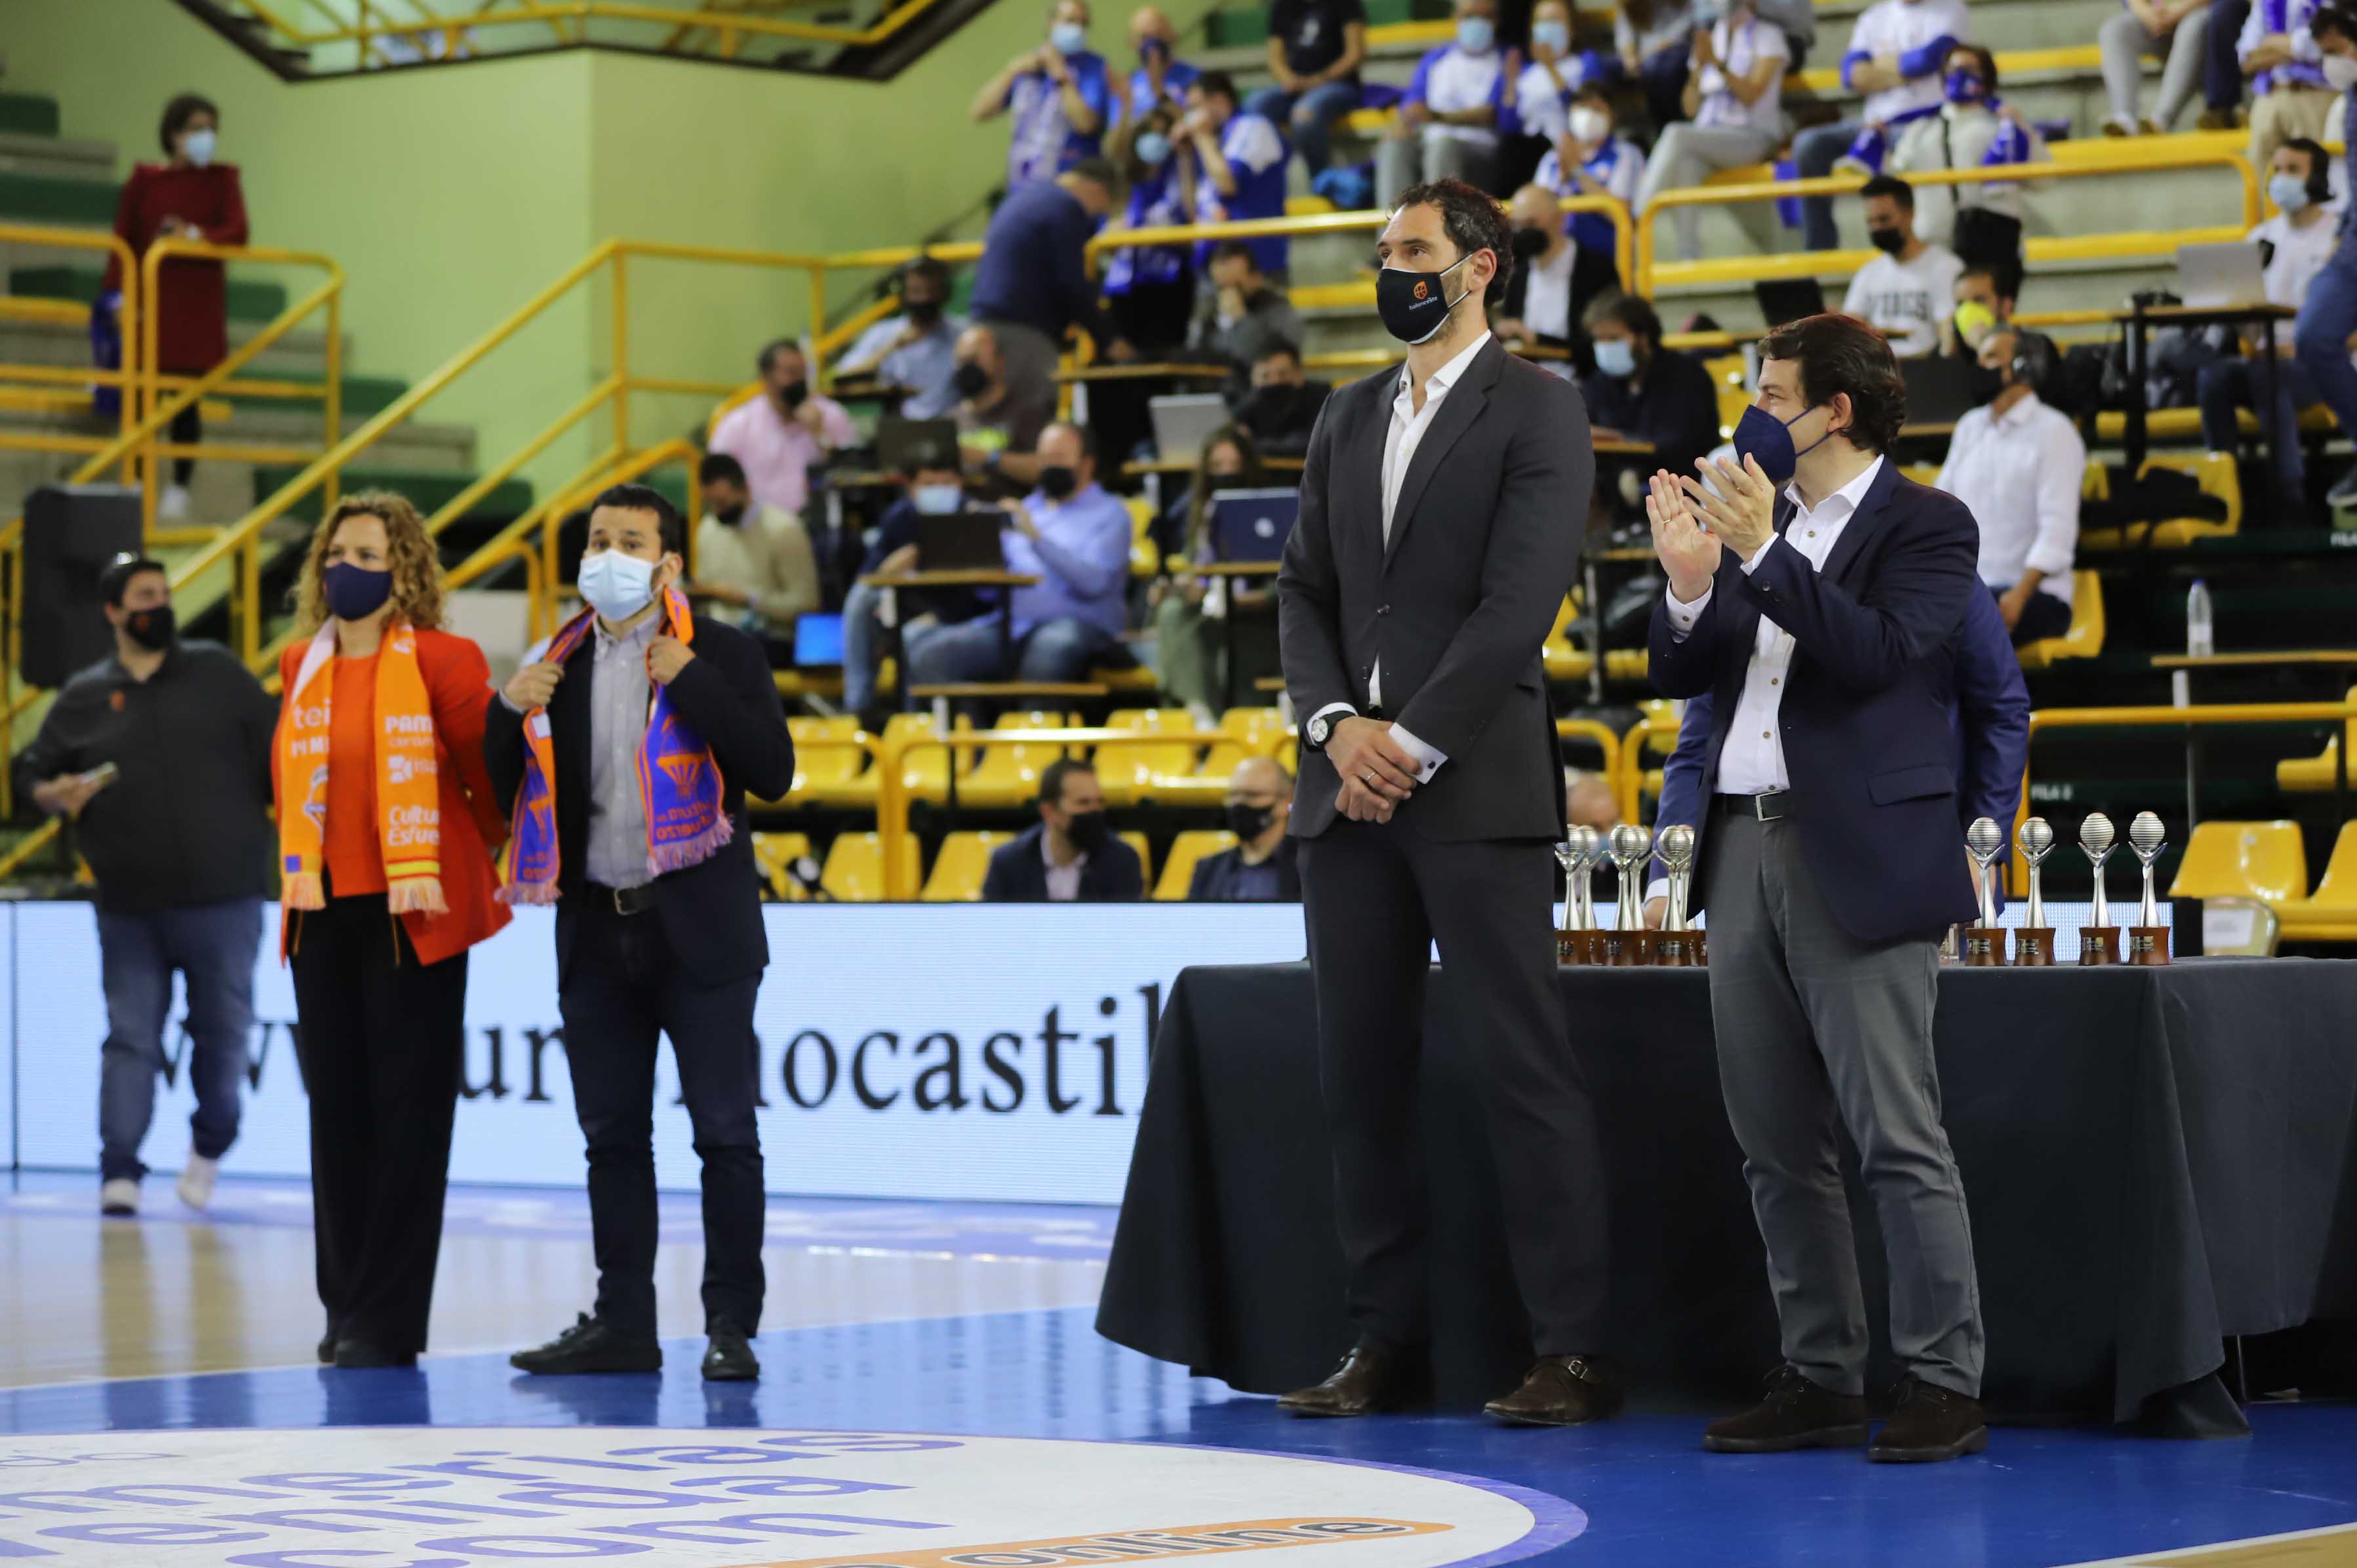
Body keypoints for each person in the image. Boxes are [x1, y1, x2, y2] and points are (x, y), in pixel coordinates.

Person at [1274, 178, 1616, 1428]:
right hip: (1345, 797)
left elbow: (1520, 605)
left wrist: (1405, 744)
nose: (1391, 269)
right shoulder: (1345, 410)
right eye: (1384, 250)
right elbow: (1302, 590)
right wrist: (1335, 729)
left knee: (1524, 1073)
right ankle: (1384, 1341)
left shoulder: (1541, 406)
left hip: (1474, 790)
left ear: (1478, 269)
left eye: (1412, 249)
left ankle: (1571, 1350)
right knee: (1360, 1080)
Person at [1644, 311, 1989, 1464]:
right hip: (1741, 844)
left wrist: (1759, 557)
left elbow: (1878, 653)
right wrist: (1689, 584)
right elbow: (1684, 669)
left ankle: (1942, 1376)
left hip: (1864, 852)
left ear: (1834, 411)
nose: (1751, 414)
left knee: (1896, 1133)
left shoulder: (1927, 524)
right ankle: (1821, 1371)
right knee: (1774, 1142)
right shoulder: (1761, 525)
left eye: (1772, 394)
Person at [490, 484, 795, 1383]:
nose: (608, 557)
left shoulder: (723, 652)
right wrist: (506, 712)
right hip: (594, 929)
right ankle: (623, 1323)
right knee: (612, 1140)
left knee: (724, 1136)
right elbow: (498, 792)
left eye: (630, 541)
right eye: (597, 540)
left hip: (699, 934)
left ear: (668, 564)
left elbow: (773, 770)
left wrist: (689, 678)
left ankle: (730, 1324)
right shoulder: (555, 662)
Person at [273, 491, 510, 1369]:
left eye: (370, 556)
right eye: (338, 553)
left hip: (413, 915)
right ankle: (344, 1306)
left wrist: (455, 858)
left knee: (409, 1119)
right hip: (321, 910)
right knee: (336, 1116)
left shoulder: (447, 659)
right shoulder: (300, 663)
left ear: (404, 570)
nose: (349, 569)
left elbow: (489, 780)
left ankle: (387, 1320)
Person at [15, 554, 275, 1219]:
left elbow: (278, 750)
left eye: (163, 593)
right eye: (143, 596)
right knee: (131, 1036)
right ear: (113, 612)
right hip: (129, 905)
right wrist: (54, 793)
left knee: (224, 1033)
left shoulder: (218, 672)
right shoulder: (85, 696)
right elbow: (32, 776)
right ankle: (119, 1168)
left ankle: (210, 1144)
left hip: (225, 896)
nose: (158, 605)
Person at [1644, 580, 2029, 922]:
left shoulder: (1935, 556)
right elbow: (1701, 743)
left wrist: (1980, 847)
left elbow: (2001, 711)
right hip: (1745, 866)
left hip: (1913, 861)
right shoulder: (1740, 574)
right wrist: (1667, 878)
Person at [102, 92, 248, 523]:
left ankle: (180, 488)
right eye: (197, 128)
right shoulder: (145, 182)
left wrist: (194, 235)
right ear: (174, 134)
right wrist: (117, 296)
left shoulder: (223, 180)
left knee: (186, 403)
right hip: (150, 307)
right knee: (140, 404)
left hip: (195, 310)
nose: (207, 137)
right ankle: (134, 483)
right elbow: (123, 241)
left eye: (212, 129)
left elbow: (238, 231)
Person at [907, 421, 1133, 686]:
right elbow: (990, 593)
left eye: (1058, 458)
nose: (1049, 466)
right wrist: (978, 549)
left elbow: (1094, 584)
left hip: (1080, 626)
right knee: (931, 654)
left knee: (1049, 649)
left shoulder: (1111, 514)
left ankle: (1034, 714)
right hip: (1015, 626)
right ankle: (970, 716)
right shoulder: (1026, 508)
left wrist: (1037, 539)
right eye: (1044, 458)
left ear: (1087, 464)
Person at [2200, 136, 2341, 501]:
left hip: (2323, 362)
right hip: (2265, 360)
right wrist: (2233, 313)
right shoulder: (2261, 238)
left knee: (2269, 377)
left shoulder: (2340, 238)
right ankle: (2222, 491)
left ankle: (2290, 496)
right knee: (2214, 377)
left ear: (2317, 180)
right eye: (2277, 169)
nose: (2281, 178)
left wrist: (2299, 349)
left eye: (2293, 170)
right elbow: (2251, 328)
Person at [1934, 330, 2084, 646]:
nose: (1979, 367)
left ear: (2023, 368)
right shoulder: (1970, 426)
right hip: (1971, 592)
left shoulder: (2054, 431)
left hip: (2033, 594)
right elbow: (1941, 509)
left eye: (1991, 357)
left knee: (1952, 634)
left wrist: (2020, 596)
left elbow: (2058, 530)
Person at [1789, 0, 1966, 253]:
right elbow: (1850, 75)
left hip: (1925, 122)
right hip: (1873, 125)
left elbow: (1928, 59)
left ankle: (1925, 247)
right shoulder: (1873, 18)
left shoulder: (1950, 9)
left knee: (1920, 146)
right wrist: (1903, 75)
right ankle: (1819, 251)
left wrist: (1875, 68)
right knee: (1809, 144)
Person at [968, 160, 1138, 416]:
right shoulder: (1065, 208)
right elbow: (1071, 283)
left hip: (987, 323)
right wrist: (1108, 339)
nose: (1094, 217)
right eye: (1101, 209)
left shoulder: (1028, 198)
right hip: (1025, 331)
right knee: (1031, 416)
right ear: (1096, 189)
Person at [1636, 0, 1791, 263]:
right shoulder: (1711, 37)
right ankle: (1689, 256)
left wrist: (1718, 64)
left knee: (1676, 133)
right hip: (1711, 136)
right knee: (1686, 164)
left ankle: (1637, 214)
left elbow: (1751, 95)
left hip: (1753, 136)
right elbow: (1690, 109)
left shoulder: (1769, 36)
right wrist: (1697, 71)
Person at [843, 457, 995, 726]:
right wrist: (889, 569)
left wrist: (940, 616)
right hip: (910, 605)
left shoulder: (976, 518)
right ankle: (857, 707)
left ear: (960, 484)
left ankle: (912, 721)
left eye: (947, 483)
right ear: (911, 488)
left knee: (913, 635)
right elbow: (868, 578)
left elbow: (986, 595)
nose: (939, 490)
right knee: (861, 599)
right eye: (929, 484)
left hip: (963, 616)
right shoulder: (901, 517)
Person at [1879, 45, 2046, 255]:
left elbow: (2042, 181)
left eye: (1969, 69)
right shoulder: (1922, 128)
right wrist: (1879, 143)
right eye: (1953, 69)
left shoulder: (2004, 125)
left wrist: (2022, 129)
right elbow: (1894, 177)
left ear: (1987, 76)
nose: (1960, 75)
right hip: (1935, 247)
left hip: (1992, 246)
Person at [1155, 424, 1264, 718]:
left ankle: (1193, 708)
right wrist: (1182, 587)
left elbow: (1287, 580)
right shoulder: (1201, 514)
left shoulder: (1271, 512)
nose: (1226, 473)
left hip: (1256, 612)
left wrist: (1252, 599)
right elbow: (1197, 569)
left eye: (1233, 465)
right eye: (1217, 466)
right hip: (1211, 607)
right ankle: (1199, 711)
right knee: (1172, 613)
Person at [2294, 1, 2357, 509]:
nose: (2332, 64)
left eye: (2337, 52)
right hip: (2354, 244)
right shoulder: (2351, 96)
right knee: (2313, 333)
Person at [1379, 0, 1519, 207]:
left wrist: (1439, 117)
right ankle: (1391, 224)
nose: (1476, 23)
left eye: (1485, 17)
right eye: (1469, 16)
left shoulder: (1509, 59)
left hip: (1481, 150)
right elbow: (1413, 102)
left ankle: (1440, 222)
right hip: (1431, 141)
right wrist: (1403, 122)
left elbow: (1492, 114)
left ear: (1497, 20)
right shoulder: (1436, 59)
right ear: (1455, 17)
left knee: (1443, 146)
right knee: (1394, 146)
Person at [1579, 288, 1723, 482]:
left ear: (1643, 337)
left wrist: (1619, 439)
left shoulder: (1687, 376)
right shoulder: (1598, 383)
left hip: (1679, 485)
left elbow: (1677, 445)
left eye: (1613, 339)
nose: (1605, 347)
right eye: (1599, 339)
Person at [707, 340, 856, 520]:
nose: (800, 381)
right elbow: (715, 480)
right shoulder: (738, 425)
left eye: (803, 372)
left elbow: (852, 473)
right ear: (766, 379)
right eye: (791, 373)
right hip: (759, 525)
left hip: (821, 523)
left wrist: (820, 433)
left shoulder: (831, 415)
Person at [975, 0, 1116, 188]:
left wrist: (1059, 74)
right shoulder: (1029, 65)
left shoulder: (1094, 67)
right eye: (1070, 21)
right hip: (1023, 184)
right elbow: (979, 112)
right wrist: (1010, 72)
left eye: (1083, 24)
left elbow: (1086, 123)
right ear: (1051, 23)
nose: (1077, 29)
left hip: (1070, 184)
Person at [692, 452, 820, 657]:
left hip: (772, 638)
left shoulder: (783, 529)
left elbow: (807, 603)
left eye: (722, 503)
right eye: (710, 503)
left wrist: (749, 600)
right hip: (721, 635)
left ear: (745, 489)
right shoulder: (708, 529)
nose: (716, 512)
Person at [1103, 98, 1201, 355]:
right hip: (1126, 282)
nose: (1154, 139)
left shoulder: (1182, 170)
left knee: (1165, 353)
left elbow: (1193, 216)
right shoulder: (1124, 180)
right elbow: (1108, 231)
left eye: (1162, 133)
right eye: (1149, 132)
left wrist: (1185, 155)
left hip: (1171, 281)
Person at [1178, 71, 1293, 280]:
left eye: (1196, 107)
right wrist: (1185, 156)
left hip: (1255, 267)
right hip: (1213, 262)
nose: (1191, 118)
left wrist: (1201, 136)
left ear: (1220, 101)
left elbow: (1227, 184)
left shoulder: (1253, 127)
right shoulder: (1211, 142)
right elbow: (1192, 210)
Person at [982, 758, 1145, 900]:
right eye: (1084, 803)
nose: (1095, 811)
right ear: (1049, 812)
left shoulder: (1122, 860)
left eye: (1100, 802)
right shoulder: (1008, 862)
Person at [1840, 175, 1965, 358]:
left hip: (1925, 368)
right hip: (1876, 370)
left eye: (1884, 220)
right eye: (1871, 222)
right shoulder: (1868, 273)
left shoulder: (1946, 268)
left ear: (1910, 214)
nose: (1877, 228)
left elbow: (1949, 338)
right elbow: (1848, 330)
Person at [1534, 84, 1645, 286]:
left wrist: (1576, 171)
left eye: (1597, 109)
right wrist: (1563, 178)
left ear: (1612, 117)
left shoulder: (1626, 154)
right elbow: (1537, 210)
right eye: (1582, 108)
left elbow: (1618, 212)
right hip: (1555, 262)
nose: (1588, 115)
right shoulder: (1551, 160)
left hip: (1605, 259)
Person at [1247, 0, 1368, 177]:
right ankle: (1266, 178)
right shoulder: (1283, 5)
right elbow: (1274, 58)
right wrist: (1288, 79)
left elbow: (1355, 54)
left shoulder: (1346, 3)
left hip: (1338, 85)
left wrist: (1319, 80)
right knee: (1254, 106)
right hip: (1295, 86)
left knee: (1304, 113)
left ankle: (1320, 178)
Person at [835, 258, 964, 420]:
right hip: (899, 424)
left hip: (950, 423)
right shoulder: (884, 333)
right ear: (903, 294)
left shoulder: (962, 334)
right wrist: (889, 348)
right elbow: (844, 374)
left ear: (944, 293)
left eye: (931, 291)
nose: (925, 298)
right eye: (916, 291)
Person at [952, 323, 1057, 496]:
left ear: (999, 362)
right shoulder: (951, 418)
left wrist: (988, 457)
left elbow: (1046, 469)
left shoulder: (1028, 413)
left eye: (975, 360)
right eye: (963, 361)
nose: (968, 368)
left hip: (1014, 506)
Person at [1497, 181, 1598, 357]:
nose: (1523, 231)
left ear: (1559, 219)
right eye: (1517, 224)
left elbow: (1596, 343)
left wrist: (1538, 339)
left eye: (1531, 223)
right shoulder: (1520, 272)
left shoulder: (1594, 268)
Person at [1187, 756, 1301, 900]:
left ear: (1286, 802)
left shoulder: (1308, 867)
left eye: (1252, 795)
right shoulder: (1209, 869)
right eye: (1233, 795)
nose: (1239, 804)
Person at [2243, 0, 2338, 172]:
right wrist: (2299, 50)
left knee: (2318, 176)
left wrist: (2270, 43)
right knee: (2258, 175)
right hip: (2271, 94)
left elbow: (2328, 43)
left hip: (2317, 94)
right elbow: (2247, 59)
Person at [2102, 0, 2216, 134]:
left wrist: (2174, 13)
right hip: (2159, 17)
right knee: (2115, 30)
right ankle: (2125, 119)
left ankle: (2161, 120)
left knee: (2193, 26)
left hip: (2200, 12)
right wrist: (2149, 15)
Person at [1188, 243, 1306, 371]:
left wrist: (1240, 319)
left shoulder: (1279, 310)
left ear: (1256, 278)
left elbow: (1273, 360)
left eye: (1235, 286)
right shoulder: (1210, 313)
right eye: (1221, 287)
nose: (1228, 293)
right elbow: (1198, 356)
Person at [1231, 340, 1331, 457]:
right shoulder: (1248, 404)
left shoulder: (1321, 398)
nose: (1275, 381)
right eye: (1265, 376)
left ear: (1299, 374)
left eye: (1283, 374)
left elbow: (1310, 443)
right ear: (1253, 379)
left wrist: (1254, 446)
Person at [1616, 0, 1699, 133]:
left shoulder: (1685, 5)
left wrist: (1643, 59)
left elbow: (1672, 39)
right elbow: (1625, 41)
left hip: (1675, 53)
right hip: (1643, 60)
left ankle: (1671, 126)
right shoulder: (1632, 6)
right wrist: (1630, 59)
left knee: (1657, 68)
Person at [1122, 5, 1200, 123]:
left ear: (1172, 37)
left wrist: (1158, 89)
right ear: (1133, 43)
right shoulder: (1129, 85)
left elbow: (1194, 123)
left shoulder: (1193, 78)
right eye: (1145, 37)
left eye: (1158, 35)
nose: (1153, 44)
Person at [1939, 260, 2017, 359]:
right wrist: (1947, 350)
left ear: (2005, 306)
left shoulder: (2027, 346)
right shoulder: (1951, 347)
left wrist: (1984, 347)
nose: (1967, 311)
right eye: (1961, 304)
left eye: (1979, 301)